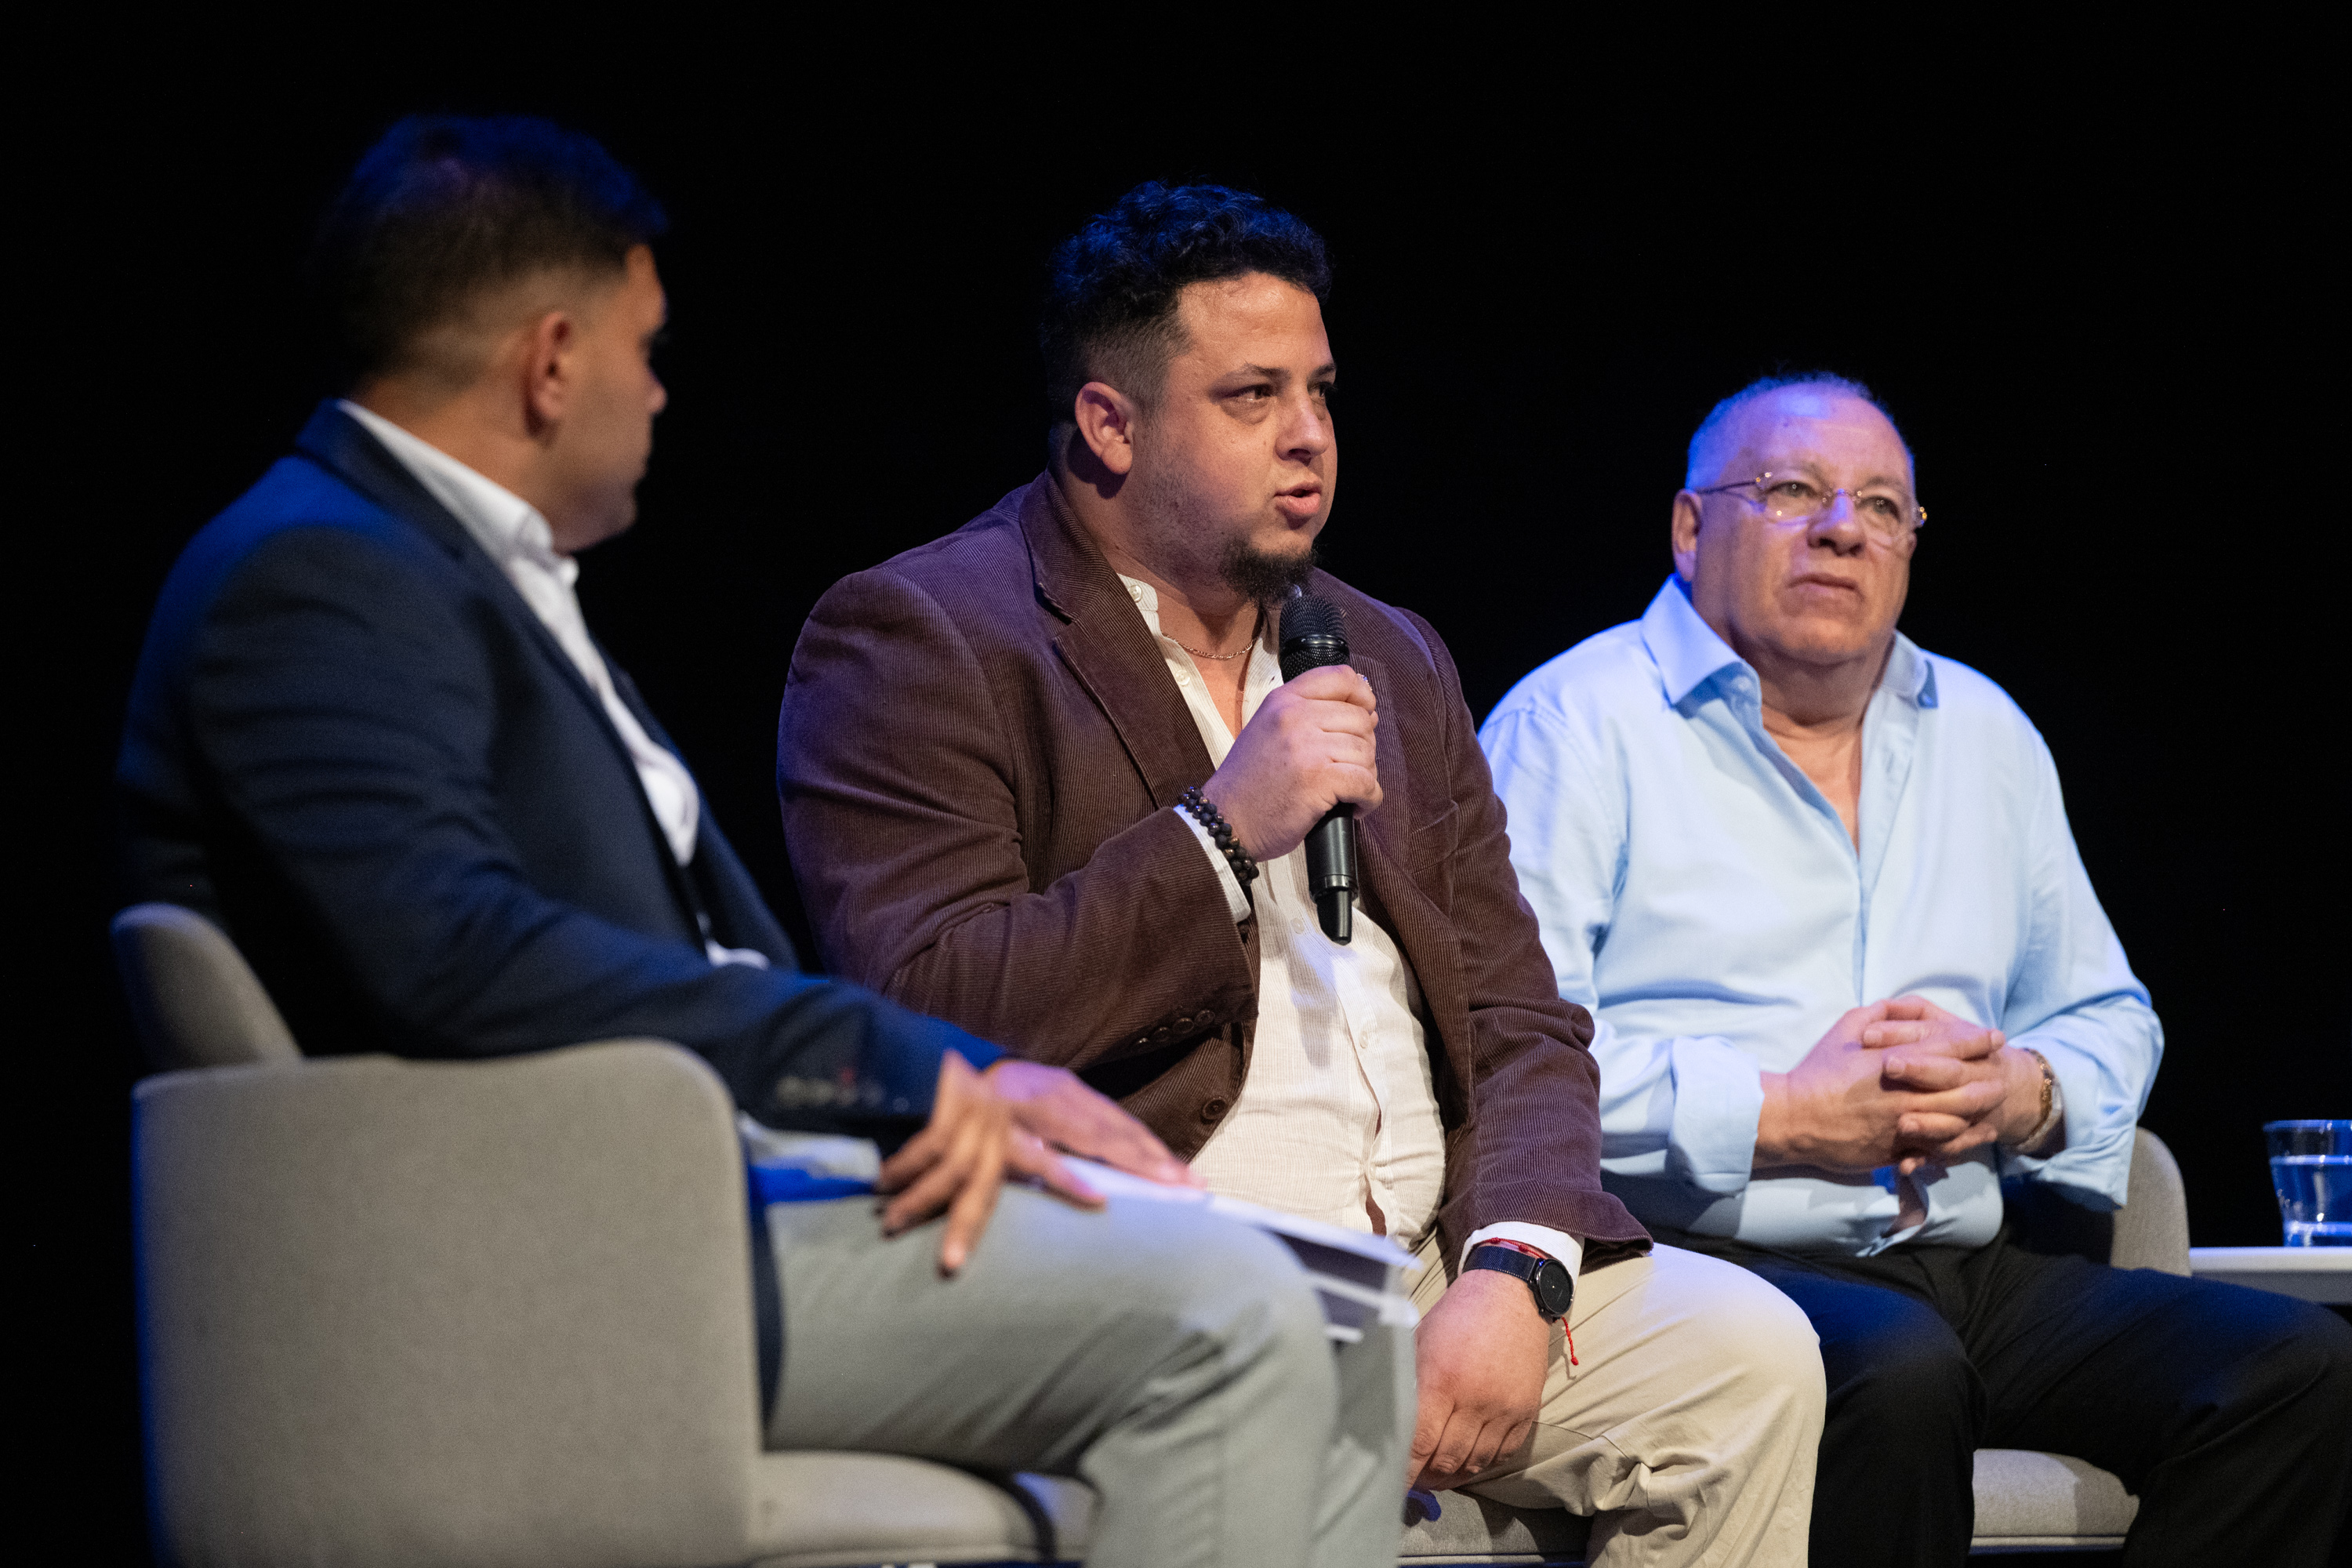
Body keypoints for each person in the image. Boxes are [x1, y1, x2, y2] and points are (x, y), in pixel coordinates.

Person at [115, 117, 1412, 1568]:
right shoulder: (321, 576)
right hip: (552, 1264)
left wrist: (960, 1091)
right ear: (551, 363)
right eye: (646, 349)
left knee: (1349, 1324)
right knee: (1231, 1313)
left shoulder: (452, 577)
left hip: (711, 1199)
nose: (661, 393)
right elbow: (451, 959)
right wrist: (900, 1066)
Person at [776, 182, 1824, 1568]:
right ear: (1110, 425)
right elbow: (934, 1009)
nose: (1308, 435)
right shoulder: (925, 636)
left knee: (1748, 1357)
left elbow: (1519, 1020)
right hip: (1162, 1269)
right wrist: (1218, 834)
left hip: (1434, 1260)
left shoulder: (1388, 650)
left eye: (1320, 392)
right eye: (1252, 396)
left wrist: (1515, 1270)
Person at [1479, 372, 2352, 1566]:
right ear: (1690, 527)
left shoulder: (1983, 731)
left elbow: (2108, 1011)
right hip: (1691, 1262)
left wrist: (2025, 1091)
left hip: (1959, 1259)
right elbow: (1512, 1054)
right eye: (1794, 490)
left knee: (2299, 1372)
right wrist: (1780, 1116)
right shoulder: (1576, 724)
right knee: (1898, 1375)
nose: (1844, 529)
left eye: (1883, 506)